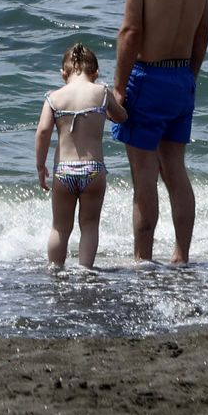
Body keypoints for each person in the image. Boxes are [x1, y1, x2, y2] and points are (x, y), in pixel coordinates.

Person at [111, 0, 208, 265]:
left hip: (147, 76)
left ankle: (142, 260)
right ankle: (181, 256)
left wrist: (119, 89)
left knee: (144, 175)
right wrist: (190, 76)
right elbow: (203, 29)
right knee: (176, 169)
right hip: (182, 75)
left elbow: (131, 31)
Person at [33, 42, 126, 271]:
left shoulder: (54, 98)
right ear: (95, 73)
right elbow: (122, 117)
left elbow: (43, 132)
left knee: (60, 228)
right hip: (93, 169)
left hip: (63, 170)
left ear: (63, 73)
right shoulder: (102, 92)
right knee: (90, 225)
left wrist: (40, 166)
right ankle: (85, 271)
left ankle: (56, 270)